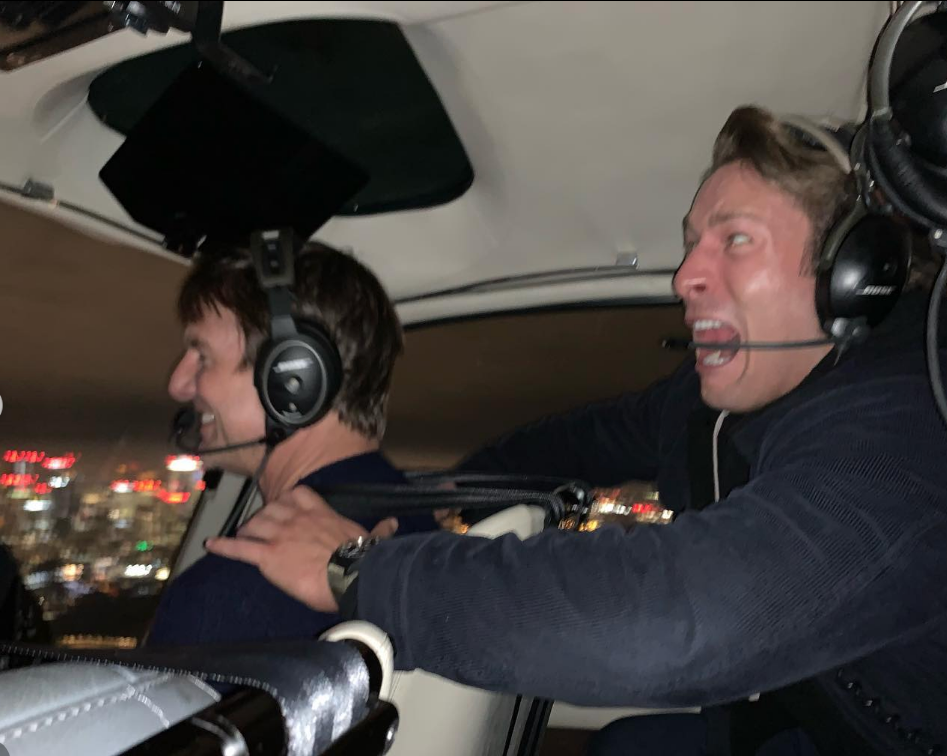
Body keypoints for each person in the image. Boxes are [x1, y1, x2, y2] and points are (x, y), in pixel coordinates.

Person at [203, 106, 947, 755]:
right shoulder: (707, 405)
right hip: (806, 715)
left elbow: (674, 622)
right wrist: (443, 499)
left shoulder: (909, 430)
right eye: (691, 243)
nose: (684, 277)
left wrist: (361, 572)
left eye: (734, 241)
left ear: (856, 271)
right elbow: (577, 441)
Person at [146, 241, 437, 646]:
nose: (177, 385)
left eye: (202, 355)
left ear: (292, 378)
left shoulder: (225, 597)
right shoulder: (423, 538)